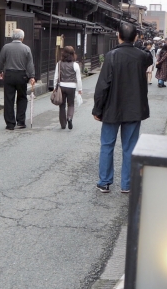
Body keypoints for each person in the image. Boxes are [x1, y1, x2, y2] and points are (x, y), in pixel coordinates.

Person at [93, 21, 153, 194]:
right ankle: (126, 184)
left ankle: (104, 182)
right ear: (135, 37)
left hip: (112, 108)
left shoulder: (111, 56)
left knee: (107, 145)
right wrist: (140, 44)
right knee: (130, 146)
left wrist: (98, 109)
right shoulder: (142, 56)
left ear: (118, 36)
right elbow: (148, 55)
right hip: (134, 109)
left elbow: (103, 85)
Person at [0, 29, 35, 130]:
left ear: (12, 37)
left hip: (9, 75)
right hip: (21, 75)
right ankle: (21, 122)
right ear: (22, 38)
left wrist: (0, 71)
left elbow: (1, 60)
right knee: (22, 97)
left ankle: (10, 124)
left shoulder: (6, 47)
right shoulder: (26, 48)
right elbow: (30, 64)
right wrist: (32, 76)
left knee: (9, 99)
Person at [53, 46, 82, 130]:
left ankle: (63, 124)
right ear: (73, 54)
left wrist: (55, 87)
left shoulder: (59, 64)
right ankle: (69, 118)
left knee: (62, 105)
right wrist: (79, 89)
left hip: (61, 86)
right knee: (71, 104)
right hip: (72, 87)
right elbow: (79, 79)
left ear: (63, 54)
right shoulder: (75, 65)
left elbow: (56, 77)